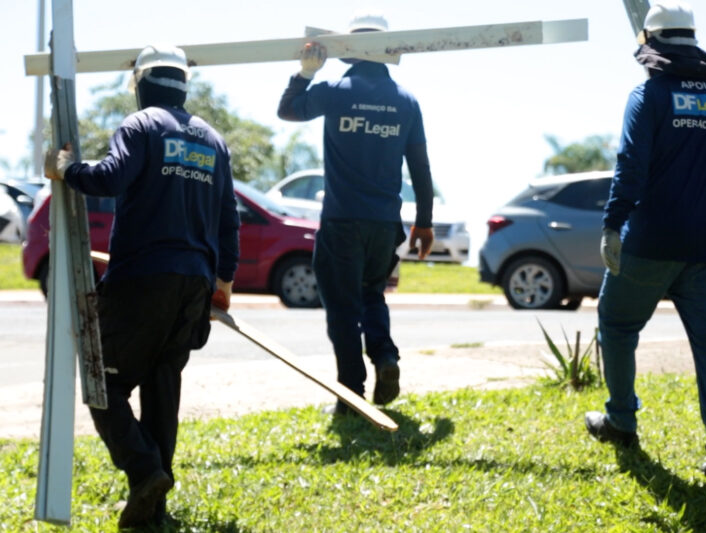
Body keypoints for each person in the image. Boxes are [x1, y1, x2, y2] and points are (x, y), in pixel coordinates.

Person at [44, 44, 240, 527]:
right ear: (183, 85)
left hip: (143, 279)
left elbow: (109, 178)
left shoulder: (142, 125)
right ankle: (154, 508)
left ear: (140, 85)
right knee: (161, 390)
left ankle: (144, 470)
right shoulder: (212, 140)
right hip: (194, 283)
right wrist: (223, 285)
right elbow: (228, 223)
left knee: (103, 385)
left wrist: (66, 168)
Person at [583, 1, 706, 486]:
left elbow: (631, 166)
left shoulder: (648, 96)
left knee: (618, 324)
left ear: (652, 43)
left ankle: (621, 422)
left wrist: (611, 225)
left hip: (653, 239)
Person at [277, 12, 435, 415]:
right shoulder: (406, 100)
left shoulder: (335, 89)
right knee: (370, 294)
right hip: (384, 224)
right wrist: (425, 223)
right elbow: (420, 168)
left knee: (343, 307)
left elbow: (288, 110)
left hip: (342, 220)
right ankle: (385, 356)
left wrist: (305, 73)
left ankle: (351, 395)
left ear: (351, 50)